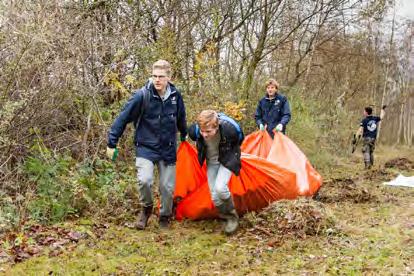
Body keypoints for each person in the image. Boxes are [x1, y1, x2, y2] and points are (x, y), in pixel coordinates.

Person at [106, 60, 187, 229]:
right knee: (145, 180)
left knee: (167, 187)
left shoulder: (175, 96)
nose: (157, 80)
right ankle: (146, 209)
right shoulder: (142, 95)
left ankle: (165, 215)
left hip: (168, 148)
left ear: (169, 78)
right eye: (154, 76)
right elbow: (123, 118)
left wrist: (185, 136)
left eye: (161, 77)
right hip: (146, 146)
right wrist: (112, 142)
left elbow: (180, 118)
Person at [188, 110, 244, 235]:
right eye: (202, 131)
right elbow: (192, 134)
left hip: (227, 160)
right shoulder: (195, 131)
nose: (205, 135)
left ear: (217, 126)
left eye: (208, 132)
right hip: (211, 163)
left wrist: (233, 155)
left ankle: (233, 217)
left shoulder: (230, 129)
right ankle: (226, 218)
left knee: (220, 188)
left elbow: (240, 139)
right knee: (214, 195)